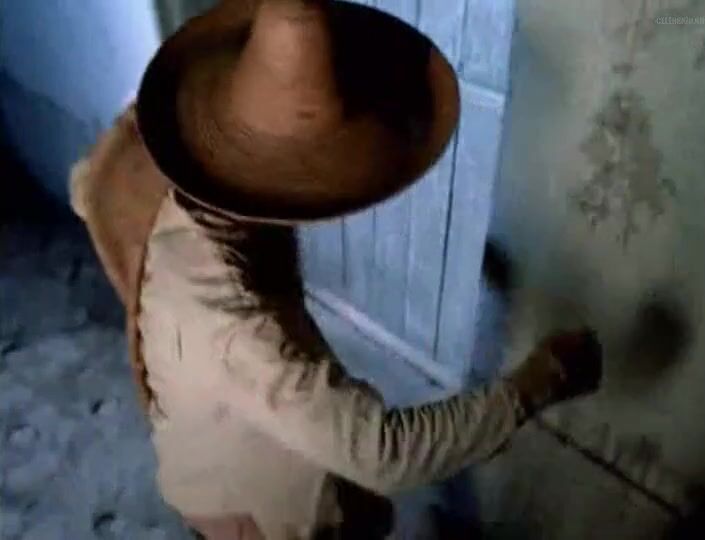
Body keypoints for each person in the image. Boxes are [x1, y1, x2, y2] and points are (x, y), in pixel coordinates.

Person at [70, 1, 603, 538]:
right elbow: (385, 453)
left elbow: (85, 185)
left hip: (208, 446)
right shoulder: (244, 335)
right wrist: (539, 382)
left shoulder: (181, 180)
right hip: (249, 518)